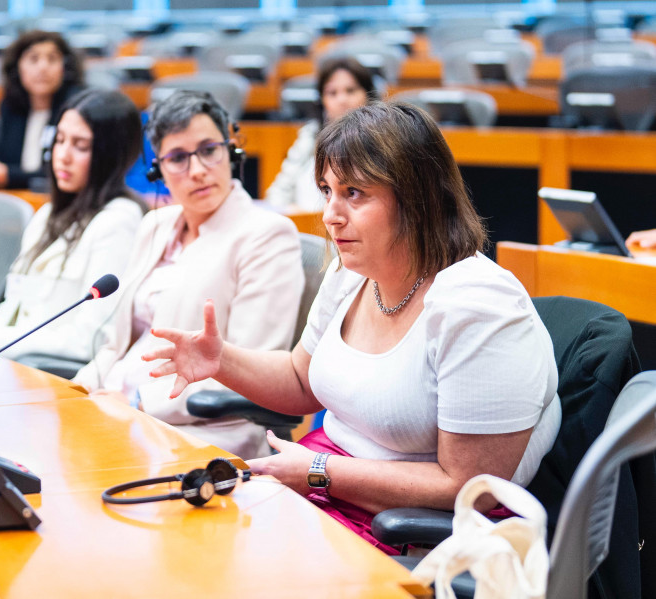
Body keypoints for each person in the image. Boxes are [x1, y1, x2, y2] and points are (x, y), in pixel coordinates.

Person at [143, 102, 560, 552]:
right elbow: (300, 380)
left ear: (418, 199)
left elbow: (468, 487)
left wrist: (321, 471)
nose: (330, 215)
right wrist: (221, 360)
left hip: (419, 533)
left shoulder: (479, 307)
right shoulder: (352, 273)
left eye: (354, 193)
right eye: (327, 191)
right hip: (328, 488)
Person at [73, 90, 304, 460]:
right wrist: (80, 388)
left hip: (199, 430)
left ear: (231, 150)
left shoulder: (267, 235)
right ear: (158, 170)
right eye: (178, 158)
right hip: (114, 406)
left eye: (209, 149)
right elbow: (118, 344)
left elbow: (252, 369)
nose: (197, 170)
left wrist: (134, 402)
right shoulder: (155, 225)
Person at [0, 89, 145, 361]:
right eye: (59, 140)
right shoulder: (47, 213)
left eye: (80, 146)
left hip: (49, 377)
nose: (63, 155)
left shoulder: (118, 220)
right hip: (9, 363)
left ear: (112, 154)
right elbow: (11, 310)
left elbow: (91, 340)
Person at [0, 31, 84, 190]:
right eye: (33, 59)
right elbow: (1, 160)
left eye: (52, 59)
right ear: (18, 67)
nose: (43, 67)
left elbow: (57, 174)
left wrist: (4, 175)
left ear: (64, 68)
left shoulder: (75, 111)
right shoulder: (10, 107)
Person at [264, 56, 375, 211]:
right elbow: (278, 193)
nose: (342, 99)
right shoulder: (310, 135)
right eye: (332, 93)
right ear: (322, 100)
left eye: (351, 90)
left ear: (368, 94)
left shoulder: (381, 139)